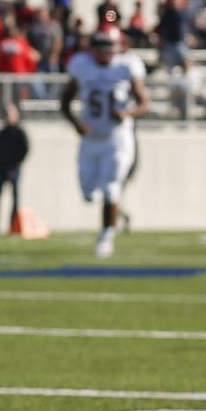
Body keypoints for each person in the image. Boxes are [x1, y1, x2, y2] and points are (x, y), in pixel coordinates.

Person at [60, 24, 149, 258]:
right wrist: (76, 123)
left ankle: (106, 237)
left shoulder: (127, 66)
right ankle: (117, 214)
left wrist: (127, 114)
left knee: (111, 188)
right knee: (88, 192)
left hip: (117, 138)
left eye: (109, 46)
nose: (105, 51)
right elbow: (65, 101)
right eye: (100, 46)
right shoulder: (81, 65)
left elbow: (144, 103)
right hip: (91, 138)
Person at [0, 101, 29, 236]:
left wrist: (16, 164)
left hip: (14, 168)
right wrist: (2, 164)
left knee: (15, 198)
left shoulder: (20, 132)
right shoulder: (3, 132)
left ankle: (13, 226)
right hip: (2, 169)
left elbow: (25, 150)